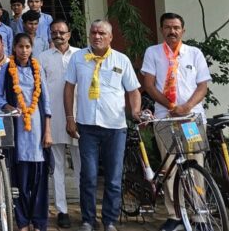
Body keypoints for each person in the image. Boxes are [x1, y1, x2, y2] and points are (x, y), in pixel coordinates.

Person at [64, 19, 142, 231]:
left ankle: (109, 221)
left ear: (110, 37)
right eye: (93, 32)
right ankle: (88, 220)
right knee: (88, 176)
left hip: (115, 128)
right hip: (87, 126)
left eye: (101, 33)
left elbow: (133, 90)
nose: (97, 36)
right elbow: (69, 88)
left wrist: (135, 111)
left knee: (114, 178)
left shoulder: (121, 59)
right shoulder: (78, 58)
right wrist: (70, 117)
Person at [140, 13, 211, 231]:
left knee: (195, 163)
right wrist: (171, 106)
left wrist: (186, 106)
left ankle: (199, 215)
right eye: (168, 27)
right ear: (162, 29)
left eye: (176, 27)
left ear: (183, 30)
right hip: (165, 117)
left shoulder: (194, 53)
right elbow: (149, 85)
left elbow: (203, 86)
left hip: (190, 118)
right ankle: (175, 215)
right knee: (170, 166)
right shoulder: (153, 52)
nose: (172, 31)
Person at [0, 33, 51, 231]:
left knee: (39, 180)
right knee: (20, 180)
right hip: (17, 128)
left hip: (38, 128)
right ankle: (22, 222)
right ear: (14, 48)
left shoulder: (37, 68)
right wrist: (10, 108)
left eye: (28, 47)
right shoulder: (6, 69)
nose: (24, 51)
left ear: (32, 48)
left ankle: (39, 222)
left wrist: (48, 130)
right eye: (21, 47)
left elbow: (46, 101)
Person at [40, 19, 81, 229]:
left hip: (79, 116)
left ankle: (85, 208)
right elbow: (40, 90)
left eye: (62, 32)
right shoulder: (43, 58)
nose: (58, 35)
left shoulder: (81, 55)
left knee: (82, 165)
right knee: (57, 167)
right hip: (54, 117)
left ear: (69, 34)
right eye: (54, 32)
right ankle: (62, 210)